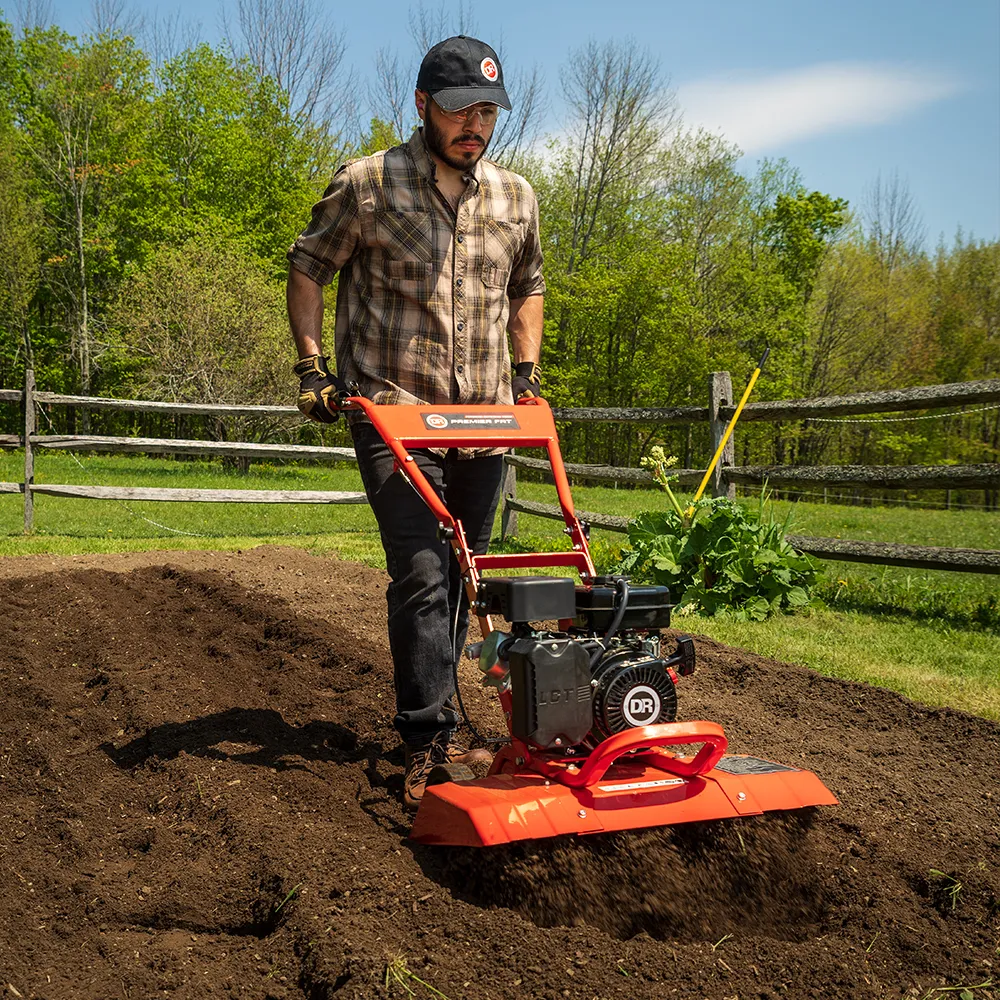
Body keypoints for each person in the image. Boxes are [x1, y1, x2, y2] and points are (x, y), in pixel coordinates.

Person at [285, 35, 545, 810]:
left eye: (489, 111)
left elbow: (528, 283)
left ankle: (474, 712)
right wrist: (312, 372)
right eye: (462, 109)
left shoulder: (515, 196)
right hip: (396, 412)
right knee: (425, 572)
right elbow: (307, 267)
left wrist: (526, 377)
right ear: (423, 105)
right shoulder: (366, 184)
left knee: (469, 571)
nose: (476, 124)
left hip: (488, 416)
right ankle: (426, 738)